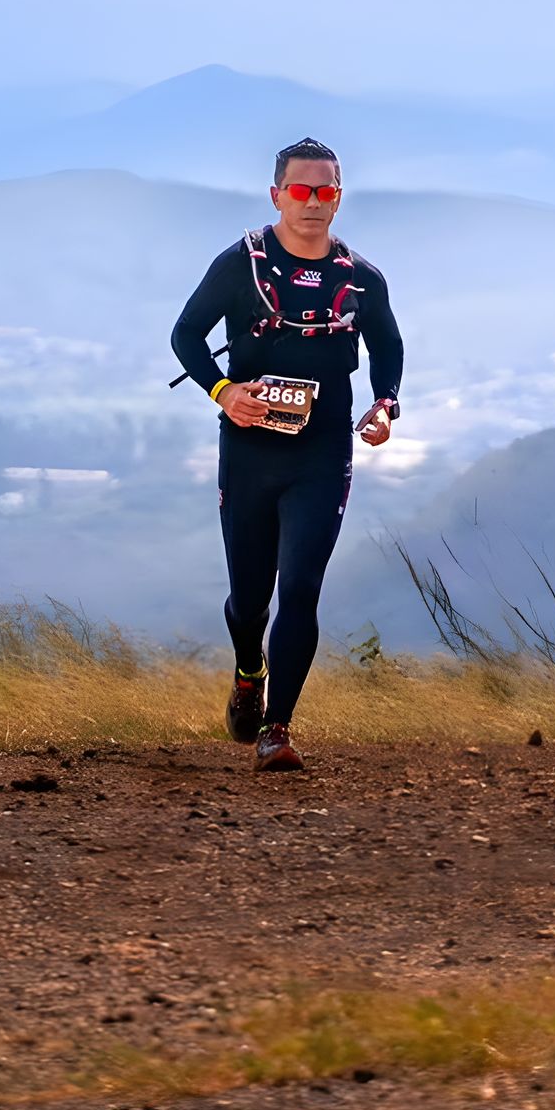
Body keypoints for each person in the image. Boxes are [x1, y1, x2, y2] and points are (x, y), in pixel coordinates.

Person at [170, 138, 403, 774]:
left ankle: (277, 727)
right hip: (248, 450)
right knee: (251, 600)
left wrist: (385, 404)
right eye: (300, 190)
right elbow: (186, 333)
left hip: (322, 453)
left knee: (301, 587)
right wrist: (223, 392)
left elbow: (388, 347)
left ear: (339, 199)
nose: (312, 203)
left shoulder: (361, 278)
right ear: (277, 195)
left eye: (325, 191)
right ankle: (249, 671)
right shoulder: (240, 265)